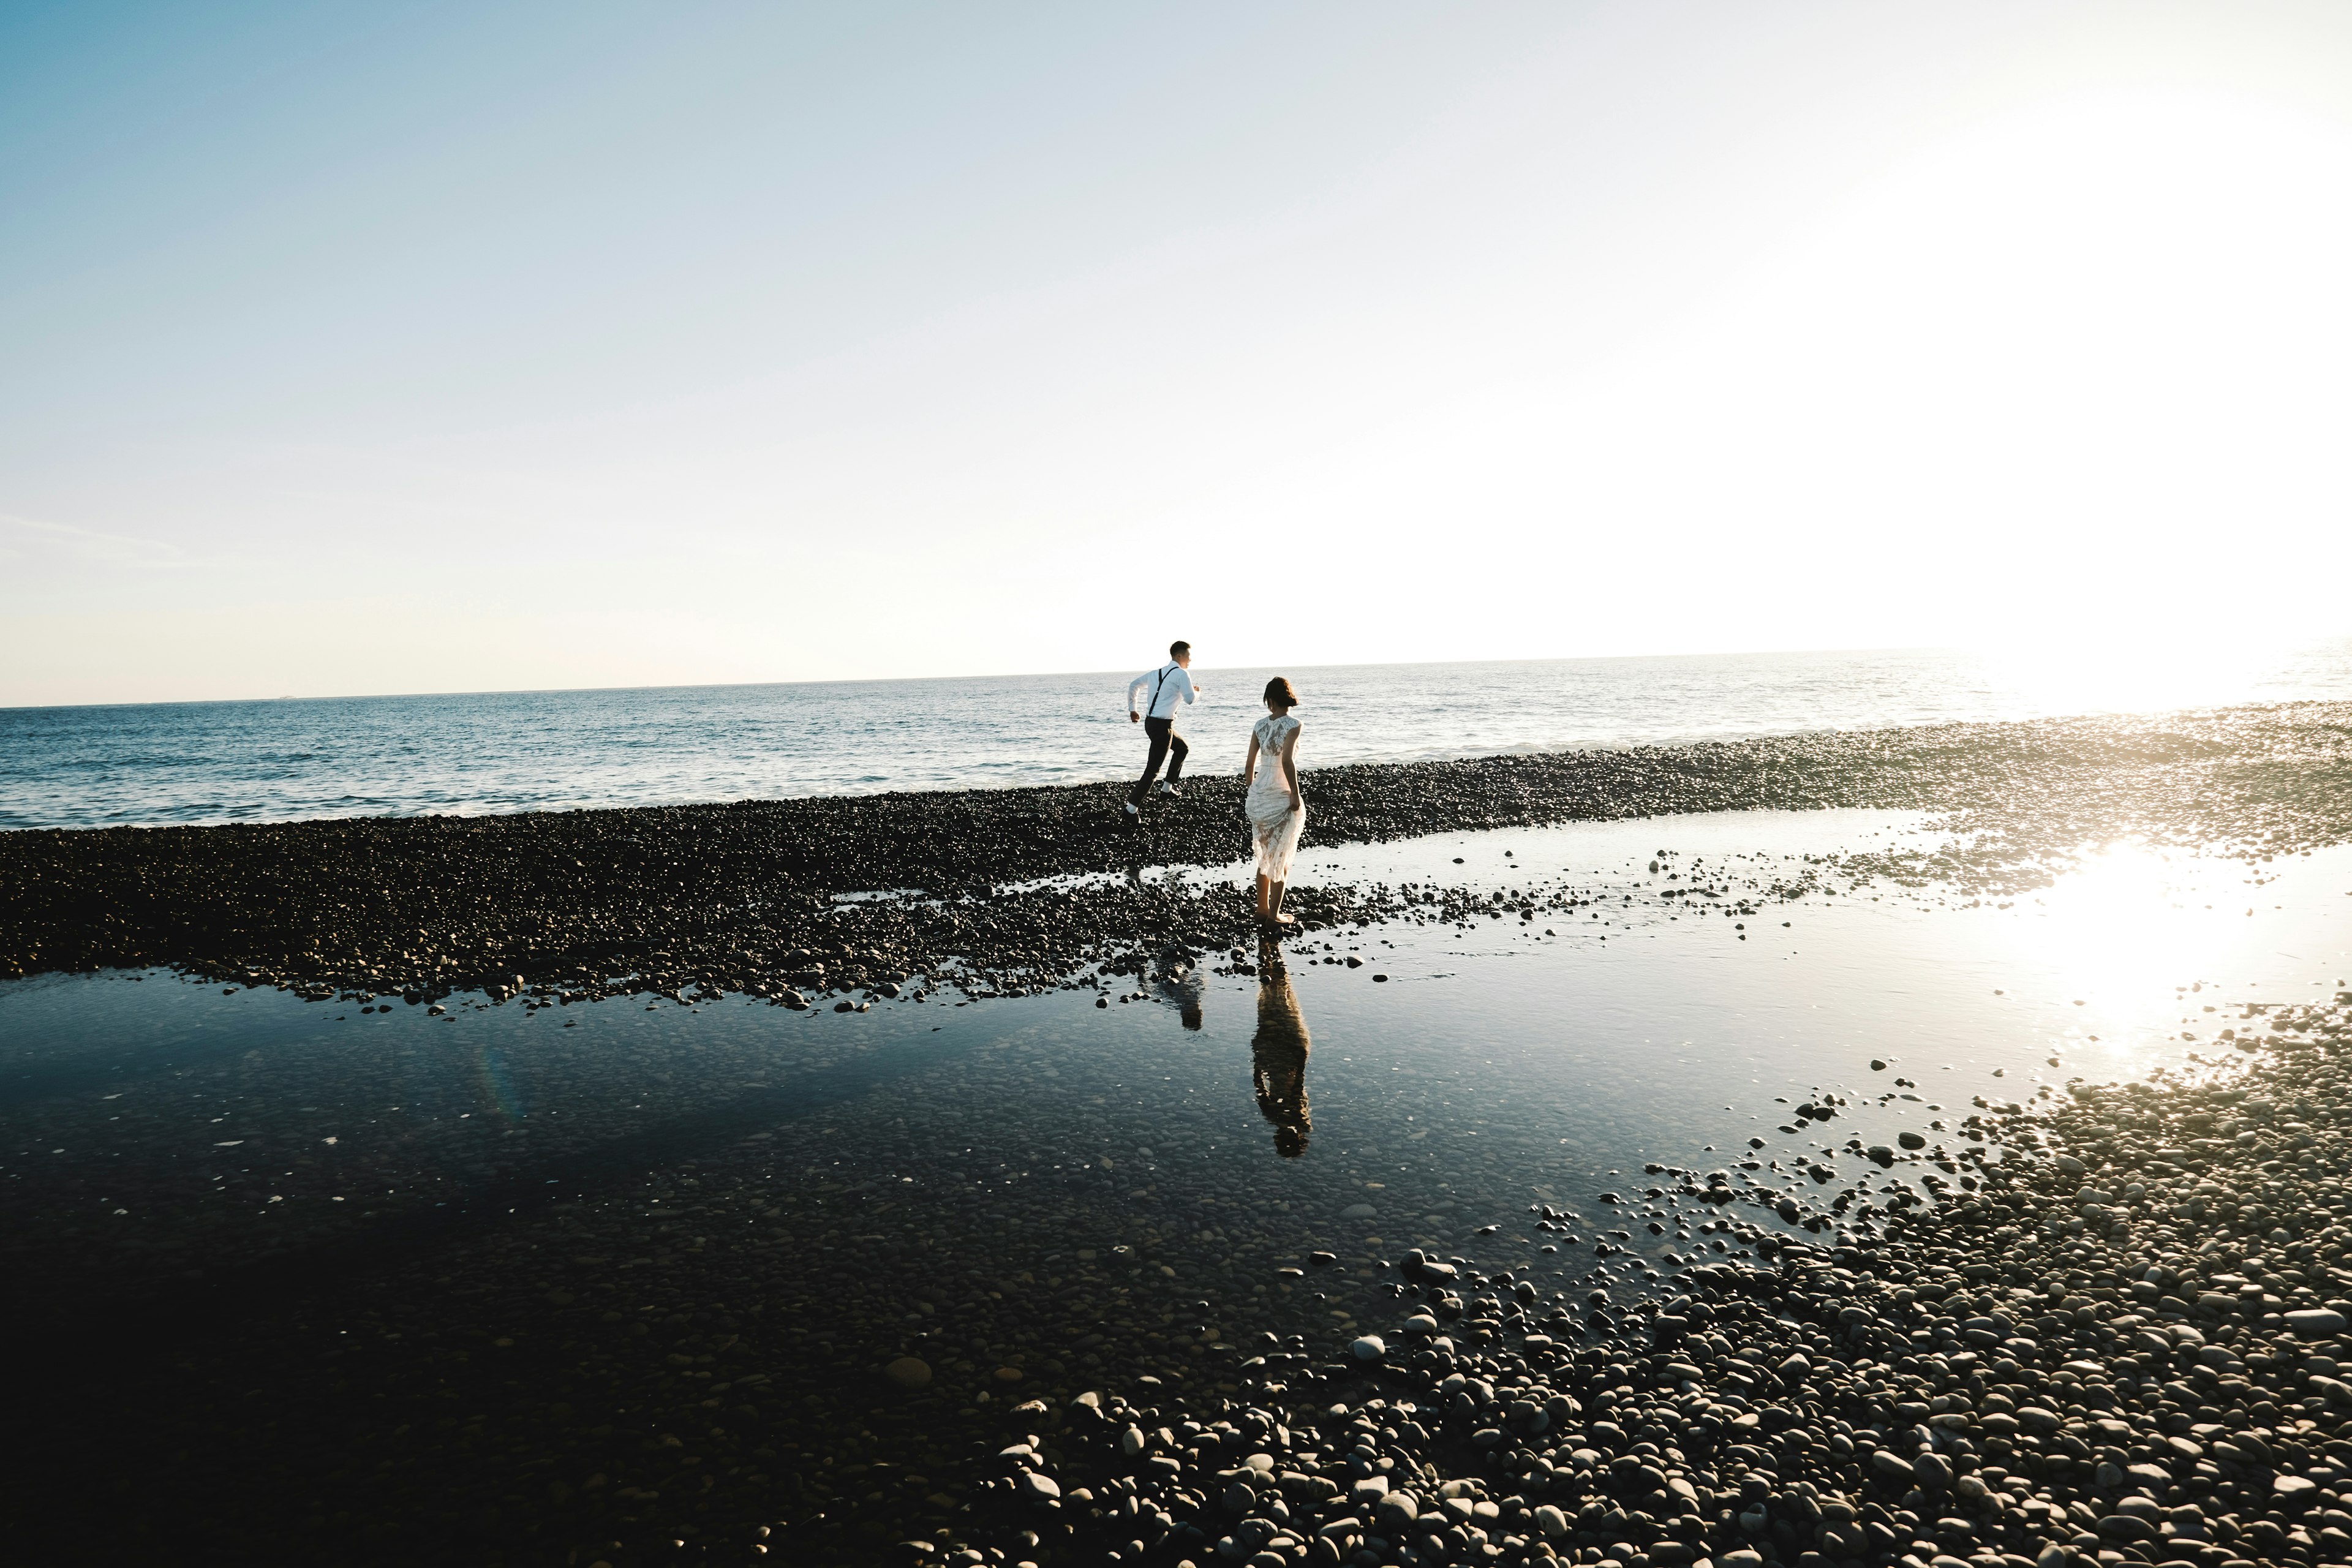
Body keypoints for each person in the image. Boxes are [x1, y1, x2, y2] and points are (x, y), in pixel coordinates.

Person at [1242, 676, 1305, 924]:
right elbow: (1288, 762)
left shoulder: (1259, 725)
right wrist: (1295, 793)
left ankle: (1261, 909)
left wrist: (1253, 791)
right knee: (1282, 856)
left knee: (1266, 856)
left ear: (1270, 700)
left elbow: (1249, 765)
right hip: (1280, 791)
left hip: (1259, 793)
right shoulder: (1294, 724)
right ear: (1288, 697)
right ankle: (1274, 915)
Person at [1125, 641, 1202, 820]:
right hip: (1162, 727)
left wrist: (1133, 710)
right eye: (1189, 656)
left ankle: (1167, 789)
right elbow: (1190, 699)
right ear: (1179, 656)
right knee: (1152, 770)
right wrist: (1198, 692)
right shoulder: (1182, 675)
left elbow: (1133, 685)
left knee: (1182, 748)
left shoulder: (1156, 673)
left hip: (1151, 724)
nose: (1191, 660)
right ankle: (1130, 810)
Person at [1250, 937, 1311, 1157]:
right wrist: (1257, 1060)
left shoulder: (1299, 1120)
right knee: (1273, 996)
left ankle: (1270, 947)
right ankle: (1268, 948)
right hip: (1273, 1056)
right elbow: (1259, 1084)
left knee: (1280, 995)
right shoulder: (1286, 1118)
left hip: (1285, 1053)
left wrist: (1302, 1057)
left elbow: (1296, 1084)